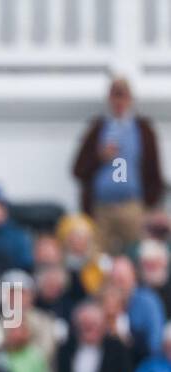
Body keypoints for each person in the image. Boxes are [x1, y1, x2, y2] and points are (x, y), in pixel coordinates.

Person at [71, 76, 165, 254]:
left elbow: (154, 169)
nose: (119, 102)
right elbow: (78, 169)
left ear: (130, 99)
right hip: (101, 209)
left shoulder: (142, 129)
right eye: (116, 96)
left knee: (135, 254)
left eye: (123, 96)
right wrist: (99, 157)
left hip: (132, 207)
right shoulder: (98, 128)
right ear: (109, 99)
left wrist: (149, 206)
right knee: (98, 258)